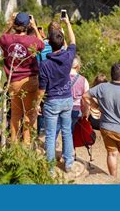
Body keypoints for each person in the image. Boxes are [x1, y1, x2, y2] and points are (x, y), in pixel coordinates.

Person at [83, 63, 120, 184]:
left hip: (106, 127)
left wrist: (96, 106)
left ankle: (113, 180)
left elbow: (85, 96)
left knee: (111, 153)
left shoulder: (102, 87)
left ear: (111, 74)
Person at [38, 13, 76, 172]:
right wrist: (67, 24)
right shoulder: (68, 56)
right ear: (62, 43)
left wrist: (37, 103)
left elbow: (42, 88)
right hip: (67, 99)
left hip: (52, 101)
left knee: (50, 135)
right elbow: (73, 41)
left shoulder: (45, 64)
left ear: (49, 43)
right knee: (67, 132)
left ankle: (50, 168)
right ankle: (68, 163)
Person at [0, 12, 44, 144]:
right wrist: (35, 27)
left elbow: (2, 36)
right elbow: (42, 45)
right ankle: (26, 144)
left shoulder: (6, 40)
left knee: (15, 115)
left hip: (13, 81)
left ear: (15, 25)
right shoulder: (32, 41)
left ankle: (13, 144)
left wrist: (10, 25)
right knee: (28, 114)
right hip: (30, 80)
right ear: (27, 26)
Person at [69, 56, 89, 132]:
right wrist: (85, 113)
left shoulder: (62, 78)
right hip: (77, 110)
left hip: (63, 108)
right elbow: (86, 99)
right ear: (77, 66)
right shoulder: (84, 80)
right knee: (71, 134)